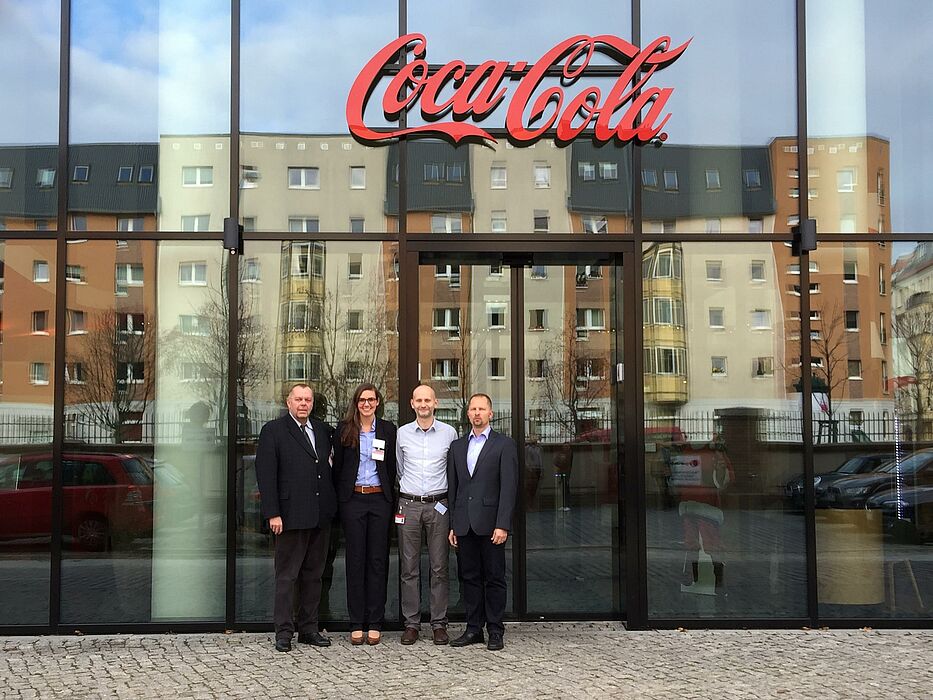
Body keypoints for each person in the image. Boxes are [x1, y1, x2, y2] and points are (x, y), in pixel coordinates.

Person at [255, 384, 335, 652]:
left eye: (308, 400)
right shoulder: (274, 431)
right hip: (289, 517)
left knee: (314, 575)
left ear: (313, 403)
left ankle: (309, 629)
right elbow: (266, 476)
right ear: (288, 402)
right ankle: (284, 632)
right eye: (298, 399)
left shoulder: (323, 431)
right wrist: (273, 513)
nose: (303, 404)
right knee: (287, 576)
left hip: (319, 515)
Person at [447, 393, 518, 651]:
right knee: (469, 578)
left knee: (494, 578)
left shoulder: (504, 444)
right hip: (465, 524)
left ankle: (496, 630)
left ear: (491, 413)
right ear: (468, 414)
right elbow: (454, 488)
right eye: (473, 409)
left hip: (491, 525)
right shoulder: (456, 447)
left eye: (482, 409)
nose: (477, 413)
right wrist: (454, 524)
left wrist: (503, 524)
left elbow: (509, 488)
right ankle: (473, 628)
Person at [332, 383, 397, 646]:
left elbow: (392, 466)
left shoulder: (387, 430)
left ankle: (375, 622)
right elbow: (337, 469)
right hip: (353, 499)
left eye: (371, 399)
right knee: (355, 561)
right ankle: (356, 622)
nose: (366, 404)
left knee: (377, 561)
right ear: (356, 403)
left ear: (378, 402)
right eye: (362, 400)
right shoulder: (344, 429)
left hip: (379, 499)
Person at [396, 384, 458, 646]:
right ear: (412, 404)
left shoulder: (449, 433)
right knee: (408, 568)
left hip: (438, 505)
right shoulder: (401, 434)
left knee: (439, 567)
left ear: (435, 403)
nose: (423, 404)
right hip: (408, 505)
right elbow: (399, 469)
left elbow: (453, 470)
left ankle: (438, 624)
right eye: (418, 400)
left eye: (427, 400)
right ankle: (411, 623)